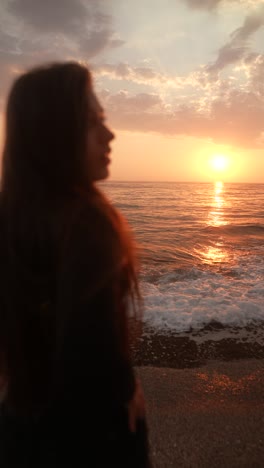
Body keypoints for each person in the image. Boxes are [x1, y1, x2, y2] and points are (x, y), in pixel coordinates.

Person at [0, 62, 152, 467]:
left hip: (19, 428)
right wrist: (126, 389)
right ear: (53, 134)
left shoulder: (12, 218)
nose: (110, 134)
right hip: (92, 440)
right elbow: (91, 352)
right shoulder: (87, 225)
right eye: (92, 122)